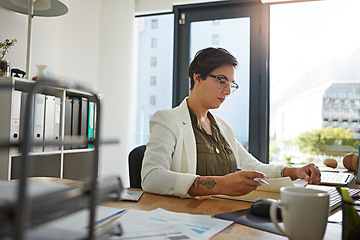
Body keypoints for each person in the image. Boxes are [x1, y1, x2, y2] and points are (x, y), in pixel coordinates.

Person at [141, 47, 321, 198]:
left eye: (232, 84)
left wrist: (295, 171)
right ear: (198, 78)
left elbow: (253, 166)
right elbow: (152, 177)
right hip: (189, 216)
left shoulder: (222, 125)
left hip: (224, 212)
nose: (227, 91)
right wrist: (219, 185)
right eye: (221, 81)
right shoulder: (167, 120)